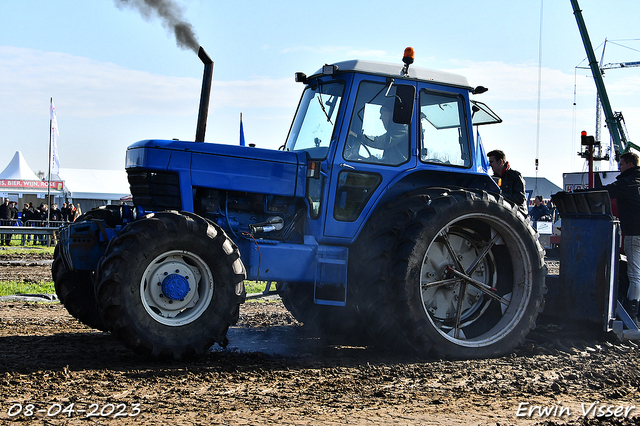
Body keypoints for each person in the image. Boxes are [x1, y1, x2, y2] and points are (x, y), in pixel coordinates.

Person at [598, 152, 640, 321]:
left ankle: (632, 312)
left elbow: (606, 191)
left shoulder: (626, 183)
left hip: (634, 233)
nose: (619, 168)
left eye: (621, 165)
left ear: (630, 165)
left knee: (635, 274)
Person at [487, 149, 527, 216]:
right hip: (501, 213)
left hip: (516, 215)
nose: (489, 164)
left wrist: (500, 196)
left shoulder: (515, 176)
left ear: (500, 162)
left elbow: (520, 198)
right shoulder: (493, 179)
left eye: (491, 162)